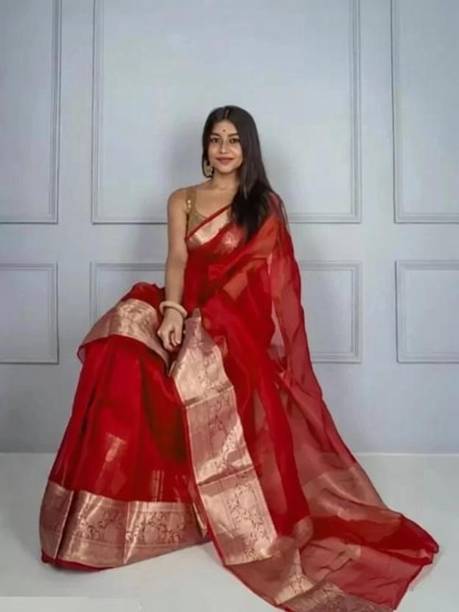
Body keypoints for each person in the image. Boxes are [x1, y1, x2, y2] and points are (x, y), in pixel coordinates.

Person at [39, 105, 439, 611]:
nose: (224, 148)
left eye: (233, 139)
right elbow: (178, 259)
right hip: (182, 306)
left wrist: (208, 320)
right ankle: (104, 517)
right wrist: (172, 311)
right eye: (215, 139)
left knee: (198, 358)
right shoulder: (182, 199)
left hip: (231, 323)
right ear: (205, 148)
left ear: (248, 148)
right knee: (121, 339)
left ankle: (206, 500)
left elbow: (266, 283)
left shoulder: (263, 205)